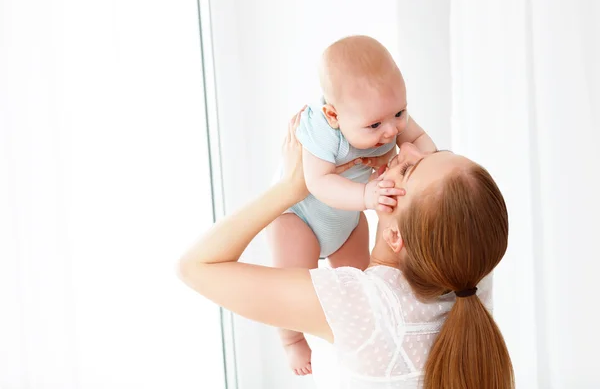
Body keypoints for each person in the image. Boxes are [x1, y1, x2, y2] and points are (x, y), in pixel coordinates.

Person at [178, 109, 514, 388]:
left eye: (409, 168)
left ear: (397, 238)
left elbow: (195, 266)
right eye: (430, 152)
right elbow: (446, 201)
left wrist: (291, 188)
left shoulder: (363, 305)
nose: (407, 148)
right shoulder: (473, 276)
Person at [269, 35, 437, 373]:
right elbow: (317, 183)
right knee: (291, 288)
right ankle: (292, 340)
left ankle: (367, 337)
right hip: (301, 218)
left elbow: (419, 140)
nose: (391, 130)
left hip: (346, 220)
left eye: (399, 113)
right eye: (375, 125)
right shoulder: (321, 129)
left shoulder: (384, 112)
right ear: (334, 114)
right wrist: (365, 197)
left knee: (364, 284)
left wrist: (419, 155)